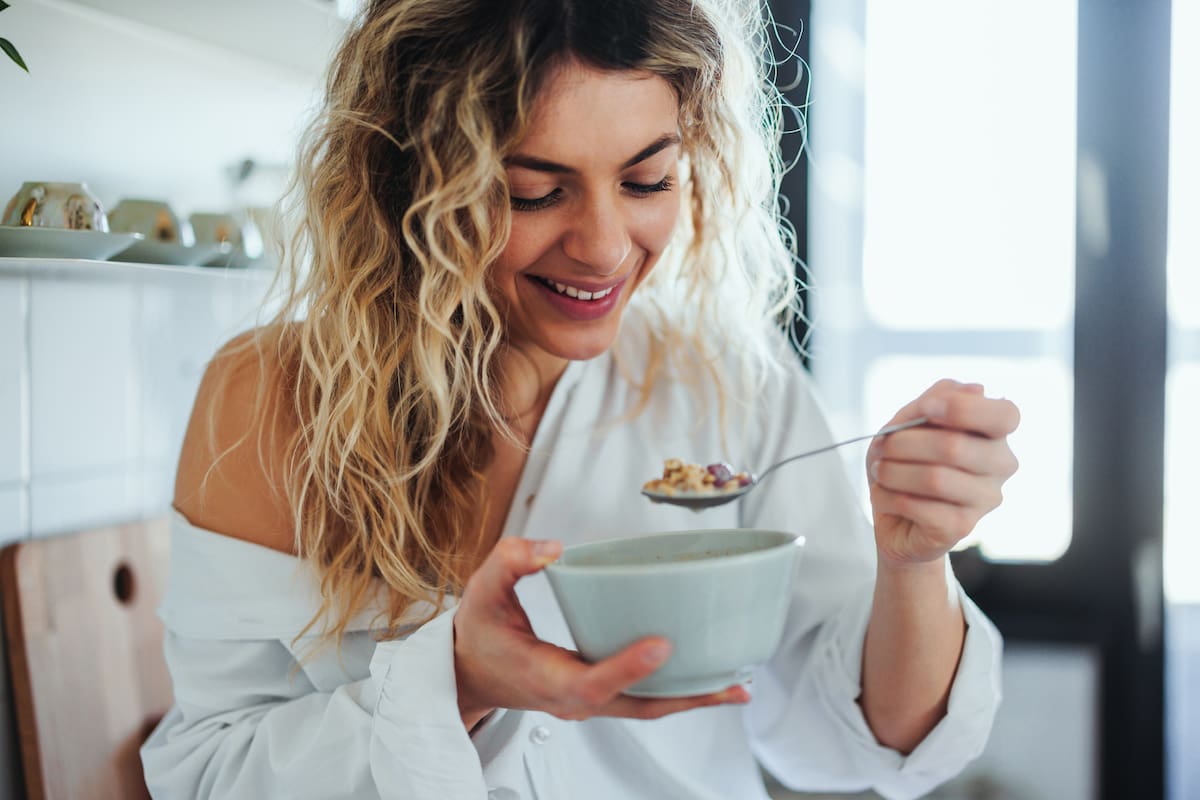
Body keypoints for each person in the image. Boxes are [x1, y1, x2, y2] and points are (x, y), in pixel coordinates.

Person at [140, 0, 1021, 797]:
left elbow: (857, 742)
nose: (603, 247)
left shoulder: (727, 385)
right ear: (410, 179)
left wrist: (911, 563)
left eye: (646, 182)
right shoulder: (274, 398)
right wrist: (461, 681)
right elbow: (212, 774)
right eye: (535, 192)